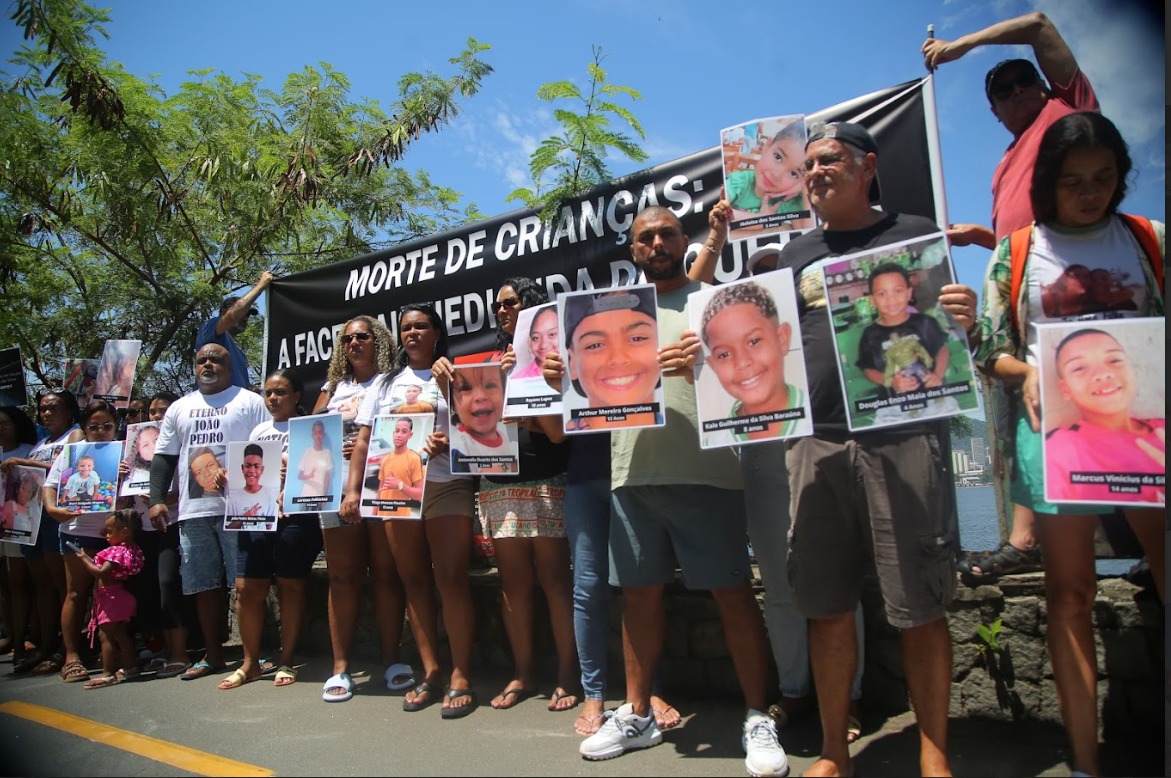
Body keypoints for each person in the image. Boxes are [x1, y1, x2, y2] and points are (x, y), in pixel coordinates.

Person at [776, 122, 977, 777]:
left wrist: (963, 318)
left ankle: (934, 752)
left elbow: (946, 340)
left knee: (918, 603)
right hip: (815, 443)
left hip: (905, 436)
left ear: (866, 166)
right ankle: (834, 753)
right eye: (806, 164)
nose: (814, 172)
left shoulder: (914, 234)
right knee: (826, 606)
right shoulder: (790, 254)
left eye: (828, 159)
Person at [972, 111, 1164, 778]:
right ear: (1047, 182)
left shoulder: (1148, 239)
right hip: (1053, 438)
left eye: (1103, 178)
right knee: (1069, 595)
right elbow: (989, 349)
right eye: (1072, 181)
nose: (1088, 193)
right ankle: (1084, 763)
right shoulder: (1016, 251)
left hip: (1146, 436)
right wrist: (1025, 371)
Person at [572, 205, 787, 778]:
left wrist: (706, 359)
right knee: (637, 597)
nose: (658, 242)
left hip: (710, 474)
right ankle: (637, 713)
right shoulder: (610, 316)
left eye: (667, 232)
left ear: (684, 241)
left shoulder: (710, 303)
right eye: (646, 237)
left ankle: (756, 715)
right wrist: (560, 377)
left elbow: (751, 369)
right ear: (633, 251)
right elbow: (586, 390)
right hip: (630, 475)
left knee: (733, 596)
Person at [923, 11, 1098, 580]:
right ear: (993, 110)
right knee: (1024, 404)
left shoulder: (1066, 112)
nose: (1016, 92)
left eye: (1024, 81)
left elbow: (1041, 24)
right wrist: (984, 238)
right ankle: (1024, 539)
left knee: (1097, 402)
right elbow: (1022, 226)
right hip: (1019, 288)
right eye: (1001, 90)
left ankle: (1127, 527)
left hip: (1077, 282)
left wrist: (960, 48)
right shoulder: (1004, 162)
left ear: (1043, 85)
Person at [341, 303, 480, 719]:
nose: (413, 333)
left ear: (437, 332)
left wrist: (450, 439)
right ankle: (432, 671)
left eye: (421, 326)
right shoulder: (385, 385)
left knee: (452, 579)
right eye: (406, 328)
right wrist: (352, 490)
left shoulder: (455, 373)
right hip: (395, 493)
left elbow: (482, 428)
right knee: (414, 581)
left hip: (446, 484)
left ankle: (461, 674)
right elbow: (365, 441)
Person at [483, 278, 578, 714]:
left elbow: (558, 435)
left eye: (512, 302)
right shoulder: (492, 359)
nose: (503, 310)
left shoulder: (552, 357)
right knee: (513, 585)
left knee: (556, 582)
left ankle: (567, 674)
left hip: (547, 477)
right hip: (498, 482)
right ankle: (522, 673)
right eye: (499, 305)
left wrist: (521, 403)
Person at [148, 343, 270, 681]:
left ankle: (252, 658)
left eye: (216, 359)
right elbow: (164, 457)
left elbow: (268, 446)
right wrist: (157, 498)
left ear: (229, 366)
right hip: (193, 511)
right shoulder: (178, 408)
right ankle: (213, 655)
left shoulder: (249, 401)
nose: (207, 363)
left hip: (243, 506)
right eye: (201, 359)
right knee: (205, 586)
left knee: (246, 586)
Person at [312, 315, 410, 703]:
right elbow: (309, 430)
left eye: (362, 336)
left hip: (380, 486)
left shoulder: (393, 381)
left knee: (387, 575)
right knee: (343, 578)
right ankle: (340, 668)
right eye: (347, 338)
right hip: (334, 489)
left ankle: (391, 661)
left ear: (379, 340)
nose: (354, 343)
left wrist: (367, 448)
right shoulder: (332, 387)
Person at [220, 368, 323, 690]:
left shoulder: (309, 431)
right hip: (254, 519)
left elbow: (319, 475)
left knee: (290, 586)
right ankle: (250, 663)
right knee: (246, 588)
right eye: (268, 393)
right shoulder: (258, 431)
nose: (273, 398)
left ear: (296, 396)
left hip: (296, 519)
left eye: (280, 392)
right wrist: (229, 478)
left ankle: (287, 659)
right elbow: (247, 474)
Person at [1, 390, 84, 677]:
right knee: (41, 585)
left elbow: (71, 471)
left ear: (69, 410)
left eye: (53, 408)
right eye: (42, 410)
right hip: (30, 520)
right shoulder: (41, 442)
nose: (46, 414)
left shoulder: (75, 435)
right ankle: (46, 646)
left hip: (53, 518)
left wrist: (27, 465)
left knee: (62, 585)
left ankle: (67, 646)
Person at [43, 399, 125, 684]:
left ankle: (110, 654)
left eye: (107, 426)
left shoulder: (123, 452)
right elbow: (50, 486)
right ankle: (72, 656)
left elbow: (133, 495)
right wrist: (53, 510)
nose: (101, 431)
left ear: (116, 427)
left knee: (109, 595)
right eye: (94, 426)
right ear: (84, 428)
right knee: (76, 593)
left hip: (112, 536)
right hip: (77, 532)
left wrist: (126, 476)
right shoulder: (71, 453)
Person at [1044, 328, 1164, 504]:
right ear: (1065, 389)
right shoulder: (1060, 450)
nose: (1102, 374)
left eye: (1114, 360)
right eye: (1079, 368)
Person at [698, 280, 804, 444]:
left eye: (754, 342)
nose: (742, 363)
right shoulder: (714, 441)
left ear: (782, 339)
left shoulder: (816, 416)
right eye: (724, 354)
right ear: (713, 366)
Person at [133, 390, 192, 679]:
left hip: (177, 521)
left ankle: (180, 652)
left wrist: (162, 499)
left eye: (164, 410)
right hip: (145, 527)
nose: (158, 416)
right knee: (151, 589)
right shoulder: (137, 447)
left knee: (170, 583)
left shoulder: (183, 443)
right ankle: (164, 649)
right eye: (153, 411)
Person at [562, 289, 662, 431]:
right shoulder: (569, 443)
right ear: (572, 363)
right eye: (595, 345)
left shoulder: (680, 433)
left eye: (637, 338)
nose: (618, 359)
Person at [70, 508, 144, 689]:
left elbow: (101, 572)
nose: (106, 535)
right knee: (120, 634)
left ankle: (107, 674)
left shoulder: (115, 551)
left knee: (106, 637)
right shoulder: (130, 549)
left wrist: (84, 559)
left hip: (111, 597)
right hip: (119, 597)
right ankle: (130, 667)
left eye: (110, 531)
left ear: (124, 532)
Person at [856, 263, 950, 396]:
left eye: (898, 291)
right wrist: (890, 381)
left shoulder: (925, 322)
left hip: (932, 395)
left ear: (909, 293)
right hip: (894, 402)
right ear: (872, 300)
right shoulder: (869, 335)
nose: (891, 299)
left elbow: (942, 350)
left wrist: (938, 375)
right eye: (882, 294)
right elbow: (868, 369)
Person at [0, 406, 37, 670]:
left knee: (18, 583)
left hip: (15, 524)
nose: (1, 428)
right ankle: (10, 634)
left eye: (4, 423)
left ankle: (23, 639)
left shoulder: (27, 450)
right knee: (3, 587)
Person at [195, 270, 274, 390]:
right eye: (243, 313)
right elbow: (232, 317)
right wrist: (260, 286)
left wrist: (251, 389)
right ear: (224, 312)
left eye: (248, 315)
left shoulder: (240, 353)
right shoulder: (209, 327)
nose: (245, 319)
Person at [727, 121, 808, 219]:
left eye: (793, 174)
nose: (776, 175)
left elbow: (811, 229)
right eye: (778, 157)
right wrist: (763, 219)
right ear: (767, 146)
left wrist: (804, 186)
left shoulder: (789, 202)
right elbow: (718, 214)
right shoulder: (740, 182)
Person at [448, 364, 516, 474]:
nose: (480, 396)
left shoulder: (507, 436)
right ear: (453, 405)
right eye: (465, 388)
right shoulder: (460, 448)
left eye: (490, 385)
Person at [374, 417, 425, 519]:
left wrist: (400, 485)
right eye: (397, 431)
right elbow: (380, 490)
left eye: (404, 431)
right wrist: (373, 515)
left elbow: (419, 494)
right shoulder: (386, 459)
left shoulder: (414, 459)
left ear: (410, 435)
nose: (399, 435)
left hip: (401, 519)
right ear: (393, 433)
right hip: (381, 516)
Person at [224, 444, 279, 523]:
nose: (252, 471)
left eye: (256, 466)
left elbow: (270, 525)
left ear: (262, 469)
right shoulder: (233, 498)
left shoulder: (270, 495)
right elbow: (229, 526)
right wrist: (245, 517)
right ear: (242, 468)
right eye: (248, 466)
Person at [511, 305, 559, 380]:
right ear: (529, 341)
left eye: (551, 335)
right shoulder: (518, 379)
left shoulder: (578, 371)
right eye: (536, 338)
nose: (543, 345)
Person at [296, 420, 334, 498]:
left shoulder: (327, 453)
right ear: (312, 435)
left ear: (323, 435)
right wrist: (309, 476)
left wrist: (325, 496)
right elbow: (299, 476)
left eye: (320, 432)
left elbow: (327, 477)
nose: (318, 436)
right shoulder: (307, 452)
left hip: (319, 497)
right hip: (305, 496)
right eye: (315, 433)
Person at [122, 423, 158, 493]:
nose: (154, 446)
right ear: (138, 453)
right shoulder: (139, 475)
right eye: (145, 445)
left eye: (156, 439)